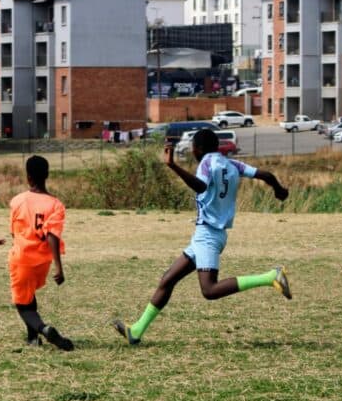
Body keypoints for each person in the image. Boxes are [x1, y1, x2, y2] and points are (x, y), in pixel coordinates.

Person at [113, 129, 292, 345]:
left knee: (209, 290)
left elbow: (201, 186)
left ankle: (270, 276)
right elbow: (266, 175)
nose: (192, 152)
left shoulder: (206, 163)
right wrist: (279, 190)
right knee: (167, 280)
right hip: (206, 234)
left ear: (198, 149)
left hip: (209, 234)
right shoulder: (232, 164)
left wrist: (173, 166)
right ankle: (137, 331)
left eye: (192, 148)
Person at [8, 155, 74, 351]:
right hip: (42, 262)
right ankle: (32, 338)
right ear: (47, 175)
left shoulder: (17, 201)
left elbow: (13, 232)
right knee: (29, 295)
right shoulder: (56, 205)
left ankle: (43, 329)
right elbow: (52, 235)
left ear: (28, 177)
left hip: (21, 259)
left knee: (22, 304)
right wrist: (58, 267)